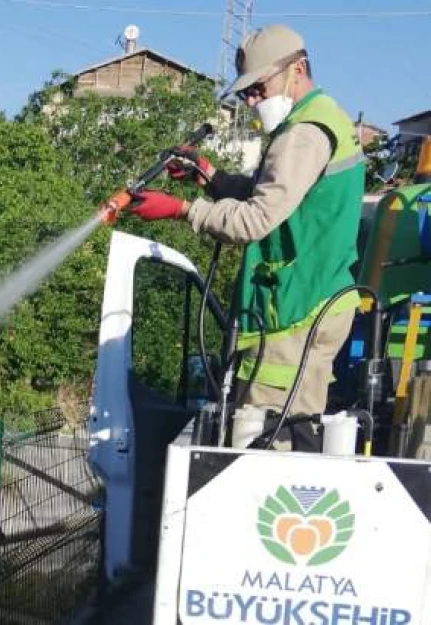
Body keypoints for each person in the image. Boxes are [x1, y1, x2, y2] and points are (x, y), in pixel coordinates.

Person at [128, 24, 366, 425]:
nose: (253, 99)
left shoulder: (304, 135)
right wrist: (211, 176)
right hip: (308, 297)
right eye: (245, 92)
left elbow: (256, 219)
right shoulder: (318, 118)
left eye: (259, 88)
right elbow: (274, 195)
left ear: (298, 69)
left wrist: (182, 209)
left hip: (296, 309)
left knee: (266, 439)